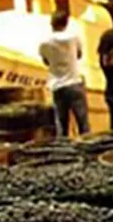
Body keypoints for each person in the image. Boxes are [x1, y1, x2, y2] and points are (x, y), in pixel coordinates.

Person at [39, 9, 91, 138]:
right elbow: (79, 55)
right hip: (74, 82)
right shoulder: (73, 37)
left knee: (62, 126)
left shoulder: (45, 43)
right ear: (66, 23)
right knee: (83, 124)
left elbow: (46, 61)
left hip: (57, 85)